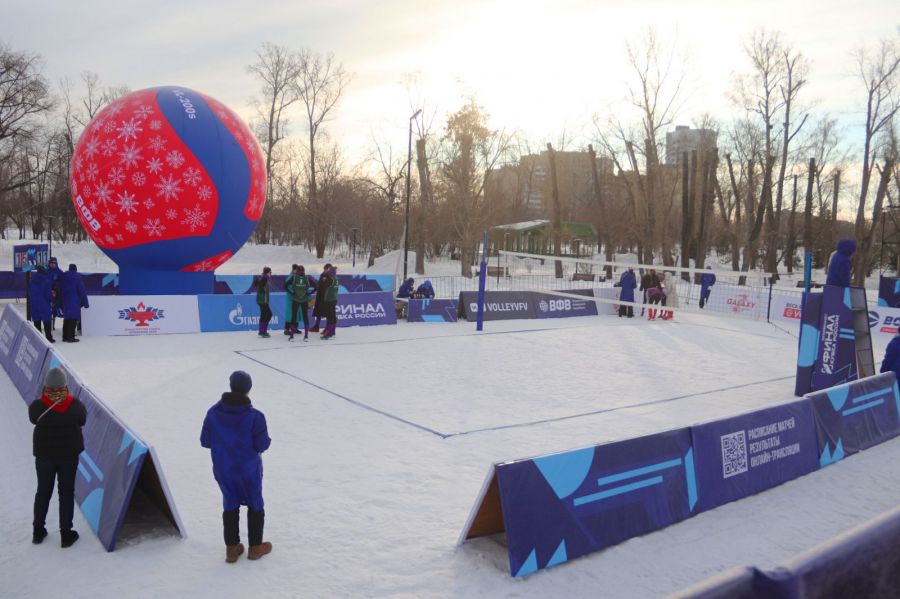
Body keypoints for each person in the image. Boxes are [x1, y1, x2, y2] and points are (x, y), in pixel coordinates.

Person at [200, 371, 272, 563]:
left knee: (229, 501)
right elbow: (262, 445)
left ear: (231, 386)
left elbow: (205, 440)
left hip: (224, 468)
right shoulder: (255, 416)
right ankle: (255, 547)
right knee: (255, 502)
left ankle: (232, 548)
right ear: (249, 389)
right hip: (249, 470)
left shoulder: (213, 413)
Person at [29, 367, 87, 548]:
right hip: (68, 457)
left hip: (44, 457)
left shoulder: (37, 406)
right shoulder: (75, 405)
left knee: (43, 492)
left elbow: (32, 419)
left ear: (46, 386)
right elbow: (83, 421)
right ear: (64, 385)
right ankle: (66, 534)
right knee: (66, 493)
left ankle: (38, 531)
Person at [60, 264, 89, 343]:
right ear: (75, 269)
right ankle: (71, 337)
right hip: (74, 300)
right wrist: (86, 303)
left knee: (66, 319)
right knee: (73, 319)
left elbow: (60, 288)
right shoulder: (77, 278)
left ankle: (65, 337)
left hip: (65, 300)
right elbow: (82, 291)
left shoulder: (63, 276)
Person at [285, 265, 315, 341]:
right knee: (305, 317)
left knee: (294, 317)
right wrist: (308, 293)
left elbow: (284, 286)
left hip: (295, 300)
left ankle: (291, 337)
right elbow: (316, 286)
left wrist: (292, 293)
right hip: (304, 300)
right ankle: (306, 336)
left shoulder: (294, 277)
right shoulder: (306, 278)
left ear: (297, 271)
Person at [30, 266, 54, 343]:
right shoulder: (46, 281)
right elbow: (48, 295)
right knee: (47, 321)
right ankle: (49, 338)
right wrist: (52, 297)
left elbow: (30, 292)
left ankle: (38, 340)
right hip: (44, 304)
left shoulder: (31, 281)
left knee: (37, 322)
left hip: (34, 304)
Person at [309, 264, 332, 333]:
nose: (324, 270)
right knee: (318, 312)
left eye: (326, 269)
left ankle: (327, 328)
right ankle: (316, 326)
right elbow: (320, 285)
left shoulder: (331, 277)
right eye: (324, 269)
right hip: (319, 297)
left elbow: (328, 287)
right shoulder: (322, 275)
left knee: (327, 313)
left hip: (326, 298)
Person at [320, 265, 340, 340]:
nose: (327, 273)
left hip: (329, 300)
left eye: (329, 272)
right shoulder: (336, 279)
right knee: (332, 316)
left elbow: (322, 285)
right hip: (334, 299)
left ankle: (331, 334)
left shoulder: (330, 280)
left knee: (331, 317)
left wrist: (324, 279)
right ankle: (331, 332)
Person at [255, 267, 272, 338]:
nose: (271, 274)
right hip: (263, 300)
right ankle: (263, 331)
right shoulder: (264, 278)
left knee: (266, 315)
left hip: (263, 300)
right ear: (267, 273)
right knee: (266, 315)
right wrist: (264, 276)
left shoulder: (263, 278)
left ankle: (262, 331)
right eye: (270, 272)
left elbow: (257, 284)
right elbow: (260, 285)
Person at [47, 257, 64, 330]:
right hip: (48, 292)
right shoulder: (46, 271)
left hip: (57, 294)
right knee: (49, 310)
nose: (53, 265)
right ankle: (50, 325)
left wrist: (56, 285)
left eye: (54, 263)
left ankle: (54, 323)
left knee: (56, 308)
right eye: (51, 263)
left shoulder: (59, 272)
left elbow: (63, 281)